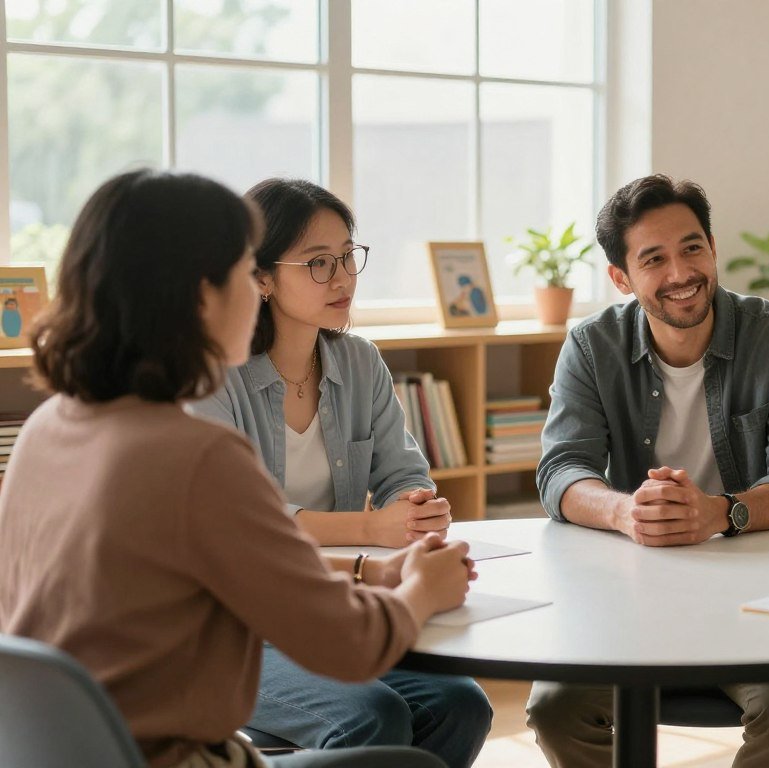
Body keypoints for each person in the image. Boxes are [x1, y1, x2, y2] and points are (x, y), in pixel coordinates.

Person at [0, 168, 475, 768]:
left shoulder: (49, 428)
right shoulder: (195, 453)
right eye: (244, 276)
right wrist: (421, 592)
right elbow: (353, 646)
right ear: (204, 295)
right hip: (179, 758)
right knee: (406, 757)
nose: (255, 293)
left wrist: (364, 571)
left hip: (62, 751)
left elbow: (214, 559)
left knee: (451, 705)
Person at [527, 174, 769, 768]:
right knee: (556, 707)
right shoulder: (592, 346)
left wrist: (718, 513)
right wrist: (624, 511)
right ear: (621, 278)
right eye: (654, 258)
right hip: (632, 600)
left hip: (762, 597)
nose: (680, 273)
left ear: (714, 247)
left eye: (692, 247)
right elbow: (561, 470)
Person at [188, 178, 491, 766]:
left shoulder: (360, 360)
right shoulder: (216, 377)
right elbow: (245, 527)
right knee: (372, 714)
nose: (344, 278)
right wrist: (373, 529)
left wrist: (415, 507)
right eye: (319, 264)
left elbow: (404, 470)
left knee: (463, 705)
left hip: (332, 601)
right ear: (262, 278)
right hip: (236, 628)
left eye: (349, 256)